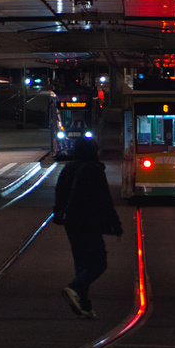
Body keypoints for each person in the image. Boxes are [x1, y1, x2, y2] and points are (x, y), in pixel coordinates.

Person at [53, 136, 122, 319]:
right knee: (99, 263)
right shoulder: (95, 170)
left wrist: (59, 213)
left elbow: (59, 193)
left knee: (82, 263)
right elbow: (105, 201)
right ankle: (74, 288)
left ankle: (83, 306)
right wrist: (116, 225)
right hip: (89, 223)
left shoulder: (68, 169)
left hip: (71, 223)